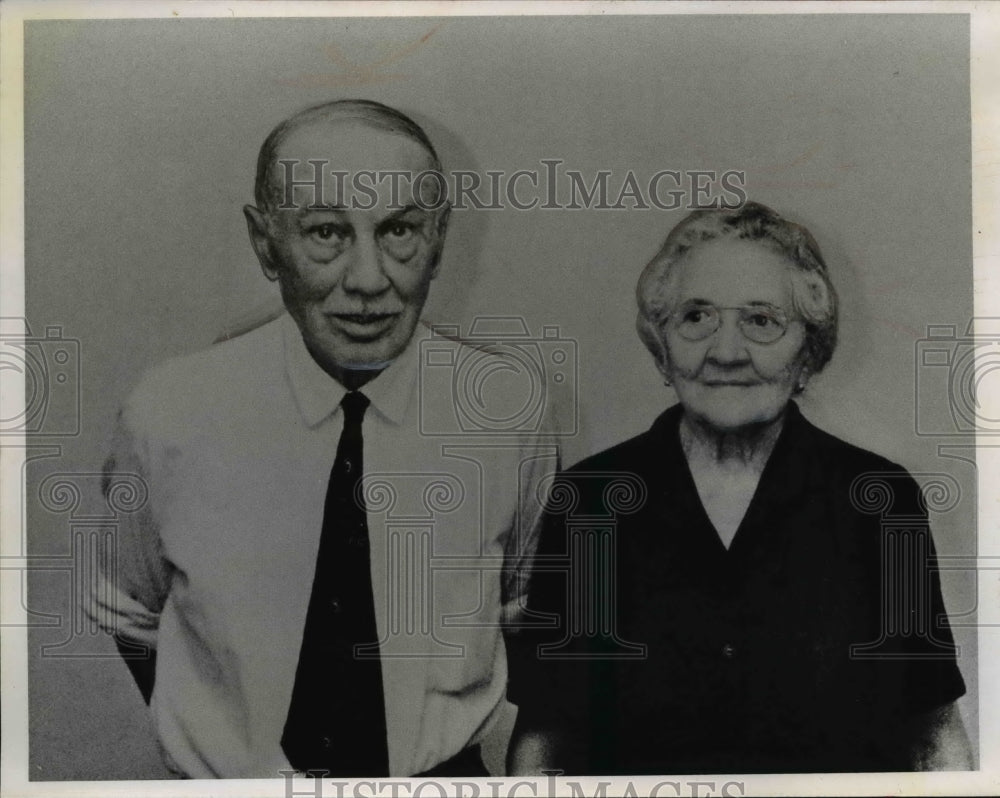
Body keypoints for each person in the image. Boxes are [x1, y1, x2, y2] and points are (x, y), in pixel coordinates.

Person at [89, 99, 558, 778]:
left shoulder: (509, 411)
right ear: (265, 244)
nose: (368, 280)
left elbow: (518, 608)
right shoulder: (170, 411)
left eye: (399, 230)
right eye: (326, 233)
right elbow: (129, 613)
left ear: (440, 239)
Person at [506, 201, 972, 774]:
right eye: (696, 317)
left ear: (809, 350)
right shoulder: (589, 501)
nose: (726, 353)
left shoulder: (876, 499)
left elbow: (931, 735)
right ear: (662, 347)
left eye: (761, 320)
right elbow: (546, 740)